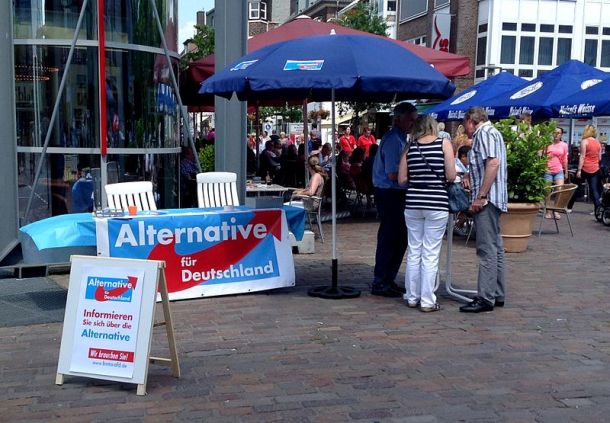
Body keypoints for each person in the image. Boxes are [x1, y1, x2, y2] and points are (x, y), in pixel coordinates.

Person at [398, 115, 456, 312]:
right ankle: (427, 300)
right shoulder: (444, 144)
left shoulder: (410, 148)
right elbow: (451, 175)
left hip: (413, 202)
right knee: (430, 253)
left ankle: (412, 296)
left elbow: (401, 180)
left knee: (414, 250)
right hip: (436, 202)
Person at [459, 107, 508, 313]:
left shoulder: (484, 133)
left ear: (472, 120)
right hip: (494, 198)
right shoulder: (492, 133)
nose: (465, 130)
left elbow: (493, 163)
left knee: (486, 248)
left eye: (465, 124)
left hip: (488, 200)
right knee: (495, 247)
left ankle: (485, 297)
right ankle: (496, 293)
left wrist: (481, 195)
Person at [371, 102, 418, 297]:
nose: (413, 124)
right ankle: (381, 281)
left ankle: (388, 278)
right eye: (411, 119)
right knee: (390, 237)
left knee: (400, 238)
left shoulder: (401, 139)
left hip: (396, 192)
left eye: (415, 120)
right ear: (398, 119)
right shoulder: (393, 140)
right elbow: (392, 174)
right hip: (390, 193)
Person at [576, 125, 603, 211]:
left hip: (585, 168)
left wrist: (579, 170)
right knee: (594, 189)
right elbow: (600, 158)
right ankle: (598, 210)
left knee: (576, 187)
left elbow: (582, 156)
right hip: (595, 169)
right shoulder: (598, 143)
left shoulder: (584, 142)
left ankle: (568, 206)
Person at [544, 127, 569, 219]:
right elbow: (541, 156)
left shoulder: (564, 145)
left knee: (560, 190)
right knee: (547, 192)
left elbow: (565, 159)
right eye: (555, 132)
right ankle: (548, 211)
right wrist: (544, 167)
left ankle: (556, 210)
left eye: (558, 133)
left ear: (561, 134)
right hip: (548, 170)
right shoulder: (547, 144)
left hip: (559, 170)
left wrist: (566, 171)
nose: (556, 134)